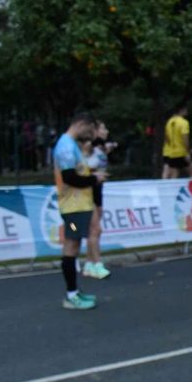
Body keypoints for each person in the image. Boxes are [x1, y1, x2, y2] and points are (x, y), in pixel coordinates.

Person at [53, 111, 99, 310]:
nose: (89, 136)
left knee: (74, 245)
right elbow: (70, 177)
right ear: (81, 124)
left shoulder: (71, 145)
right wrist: (94, 179)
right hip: (72, 207)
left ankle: (74, 291)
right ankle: (71, 295)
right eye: (89, 130)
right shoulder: (66, 146)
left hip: (78, 205)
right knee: (71, 246)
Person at [82, 120, 113, 281]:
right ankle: (98, 264)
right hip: (87, 191)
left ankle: (89, 263)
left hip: (98, 190)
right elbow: (80, 168)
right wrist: (94, 174)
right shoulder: (85, 147)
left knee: (94, 231)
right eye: (103, 128)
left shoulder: (101, 148)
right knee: (95, 229)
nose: (106, 131)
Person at [161, 101, 192, 179]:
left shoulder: (169, 121)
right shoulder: (184, 122)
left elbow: (166, 137)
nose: (187, 112)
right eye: (186, 110)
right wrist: (188, 152)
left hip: (169, 152)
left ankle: (165, 184)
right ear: (182, 110)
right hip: (180, 152)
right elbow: (185, 138)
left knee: (172, 171)